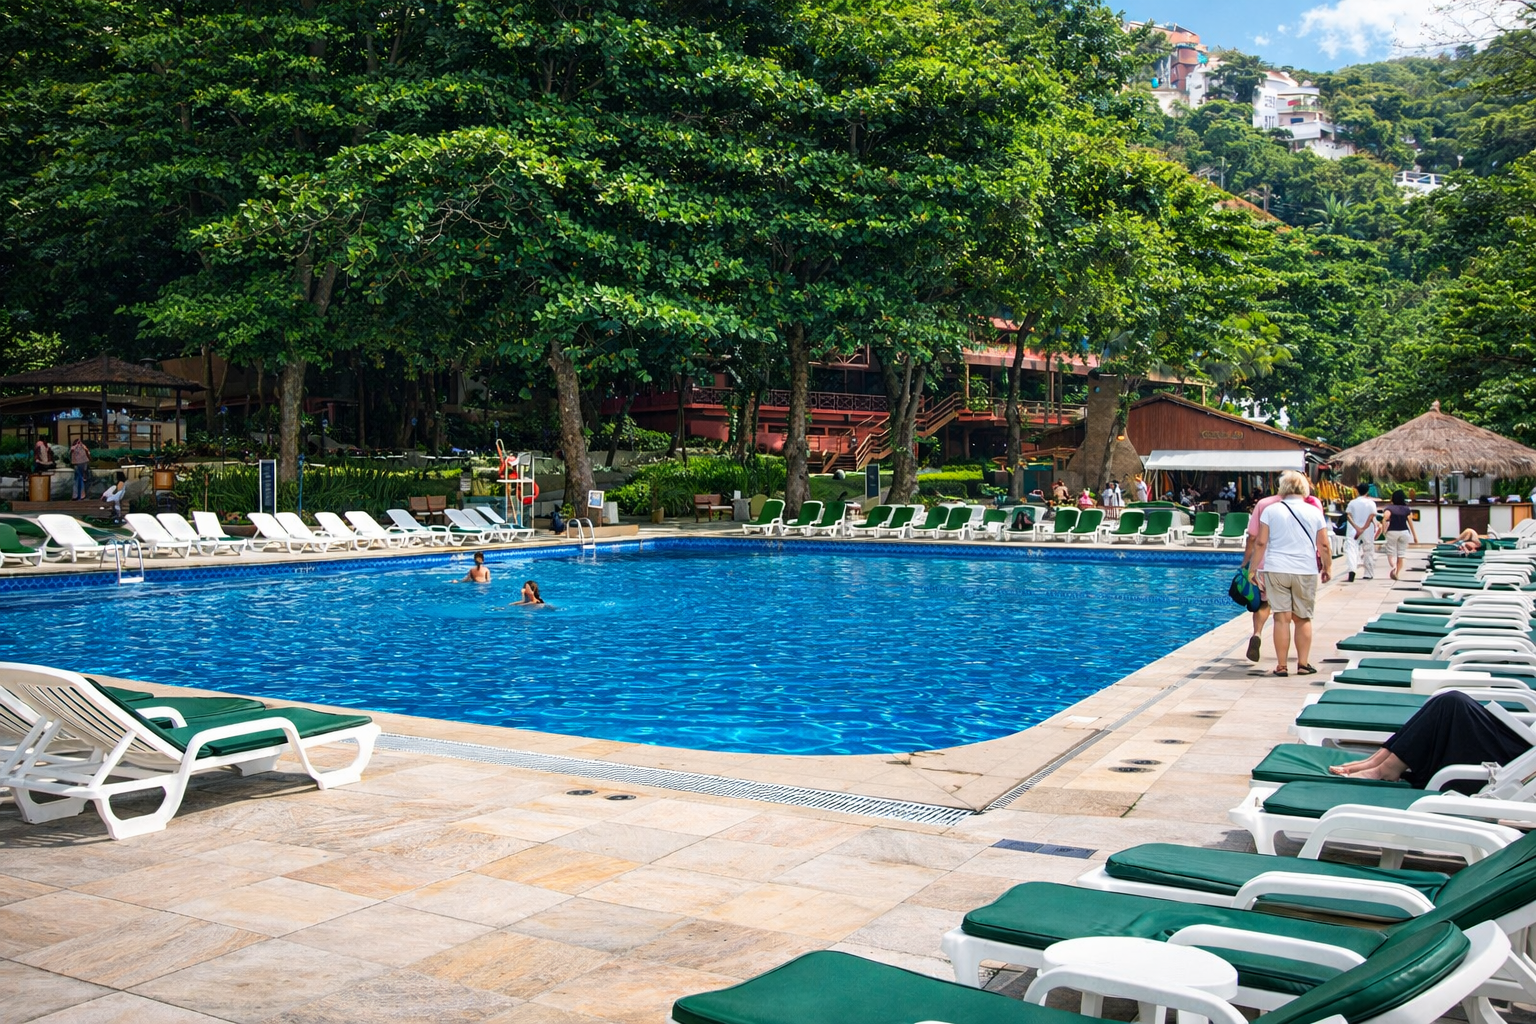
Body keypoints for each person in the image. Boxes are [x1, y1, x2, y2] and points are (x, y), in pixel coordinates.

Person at [1326, 690, 1528, 790]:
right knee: (1449, 699)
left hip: (1519, 765)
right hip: (1527, 750)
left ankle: (1384, 769)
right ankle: (1378, 761)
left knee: (1453, 704)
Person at [1252, 470, 1332, 676]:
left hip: (1276, 568)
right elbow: (1324, 544)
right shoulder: (1314, 511)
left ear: (1283, 488)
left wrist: (1253, 569)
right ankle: (1303, 664)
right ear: (1304, 488)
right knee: (1303, 618)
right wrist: (1327, 567)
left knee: (1281, 618)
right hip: (1305, 569)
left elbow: (1260, 542)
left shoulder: (1271, 510)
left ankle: (1281, 666)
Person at [1343, 488, 1379, 583]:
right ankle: (1368, 573)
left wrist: (1356, 527)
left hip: (1353, 529)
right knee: (1368, 549)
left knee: (1351, 548)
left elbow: (1348, 516)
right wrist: (1363, 528)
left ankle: (1352, 570)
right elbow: (1372, 516)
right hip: (1367, 529)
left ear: (1357, 491)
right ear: (1367, 491)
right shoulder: (1371, 503)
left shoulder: (1352, 503)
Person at [1381, 490, 1417, 581]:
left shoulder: (1389, 508)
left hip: (1392, 531)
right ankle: (1396, 573)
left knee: (1390, 552)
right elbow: (1410, 522)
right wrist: (1415, 536)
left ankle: (1394, 567)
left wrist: (1384, 530)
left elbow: (1385, 518)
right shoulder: (1407, 509)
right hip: (1404, 532)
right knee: (1401, 554)